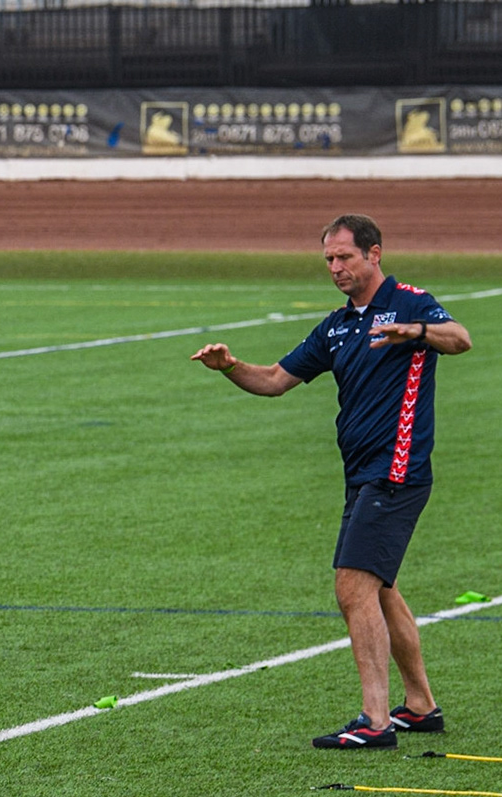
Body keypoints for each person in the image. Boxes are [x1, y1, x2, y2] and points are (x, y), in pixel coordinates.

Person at [192, 214, 472, 749]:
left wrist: (415, 333)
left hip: (397, 470)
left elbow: (460, 339)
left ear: (374, 254)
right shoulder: (337, 326)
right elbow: (275, 380)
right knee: (381, 590)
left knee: (352, 585)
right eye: (328, 260)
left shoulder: (411, 302)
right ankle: (420, 706)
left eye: (344, 257)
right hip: (362, 474)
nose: (336, 268)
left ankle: (374, 721)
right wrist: (230, 366)